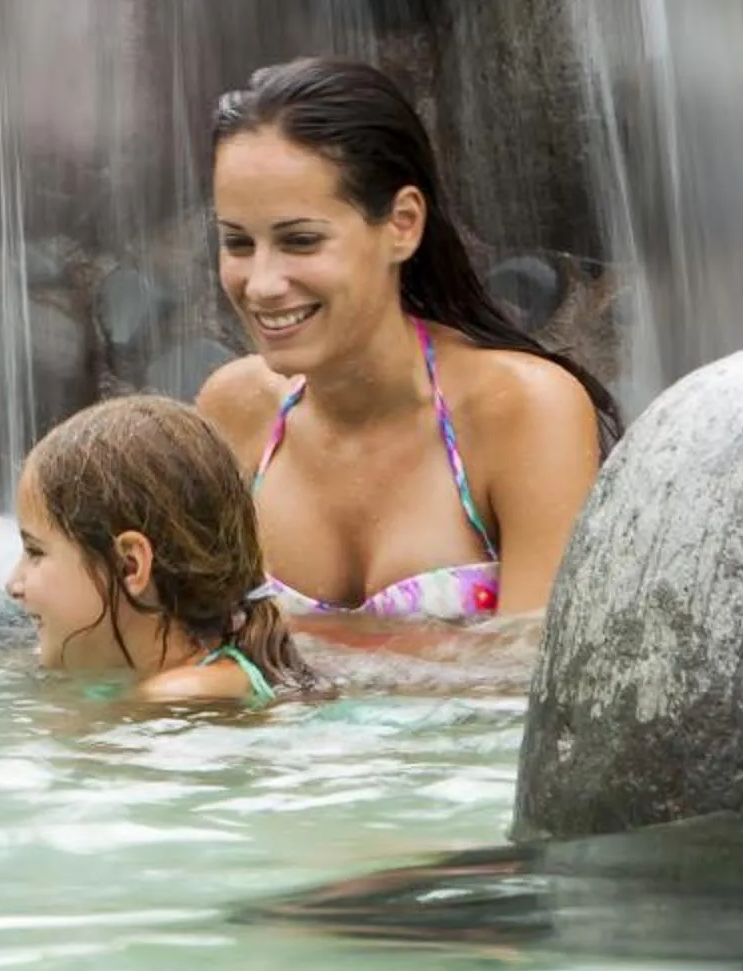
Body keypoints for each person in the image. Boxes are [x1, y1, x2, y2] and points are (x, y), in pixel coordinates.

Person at [194, 58, 617, 623]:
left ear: (402, 224)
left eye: (300, 241)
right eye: (238, 244)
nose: (263, 284)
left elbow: (533, 678)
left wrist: (301, 669)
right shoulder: (235, 410)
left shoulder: (521, 410)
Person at [7, 396, 322, 707]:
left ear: (130, 565)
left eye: (35, 552)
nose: (13, 584)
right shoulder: (193, 673)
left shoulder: (183, 696)